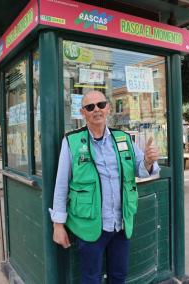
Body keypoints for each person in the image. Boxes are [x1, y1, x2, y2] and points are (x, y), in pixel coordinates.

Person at [49, 90, 160, 284]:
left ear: (108, 108)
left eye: (100, 105)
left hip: (121, 223)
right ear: (83, 112)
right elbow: (61, 185)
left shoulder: (123, 139)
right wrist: (58, 225)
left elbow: (141, 170)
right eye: (90, 107)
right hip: (90, 225)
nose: (96, 110)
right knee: (91, 278)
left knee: (119, 276)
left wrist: (149, 161)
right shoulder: (72, 141)